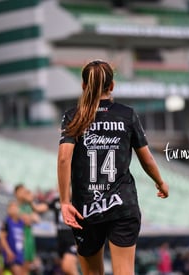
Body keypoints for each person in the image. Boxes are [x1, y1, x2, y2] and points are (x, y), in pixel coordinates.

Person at [58, 60, 169, 275]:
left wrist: (64, 202)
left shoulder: (73, 116)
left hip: (85, 208)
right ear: (112, 86)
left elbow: (64, 159)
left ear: (83, 86)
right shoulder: (127, 115)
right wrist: (160, 182)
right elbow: (146, 159)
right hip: (122, 205)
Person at [14, 184, 47, 274]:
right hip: (19, 239)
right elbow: (25, 220)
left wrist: (31, 202)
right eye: (22, 191)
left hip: (29, 239)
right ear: (16, 193)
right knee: (18, 268)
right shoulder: (14, 206)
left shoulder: (28, 206)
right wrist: (28, 217)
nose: (24, 194)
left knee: (27, 268)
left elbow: (37, 218)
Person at [49, 194, 79, 275]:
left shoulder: (78, 199)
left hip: (73, 241)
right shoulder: (57, 200)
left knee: (67, 267)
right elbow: (43, 207)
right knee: (64, 269)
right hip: (61, 242)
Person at [0, 201, 25, 275]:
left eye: (15, 207)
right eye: (11, 207)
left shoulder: (21, 222)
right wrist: (8, 251)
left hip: (19, 253)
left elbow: (22, 237)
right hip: (10, 254)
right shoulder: (6, 222)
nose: (14, 209)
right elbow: (2, 238)